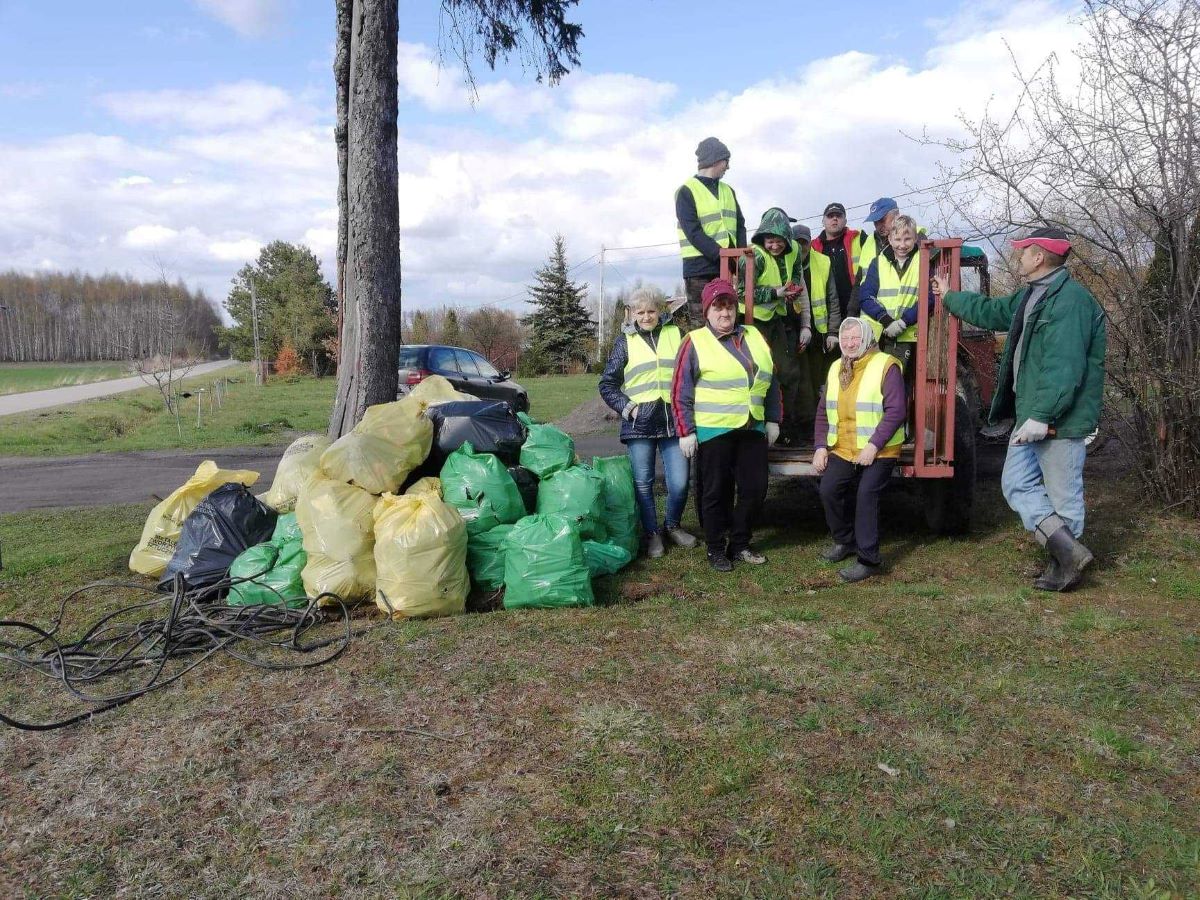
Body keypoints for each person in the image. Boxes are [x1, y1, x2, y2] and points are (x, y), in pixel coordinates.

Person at [933, 227, 1106, 592]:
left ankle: (1065, 566)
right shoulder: (1033, 295)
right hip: (1030, 415)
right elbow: (992, 310)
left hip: (1060, 419)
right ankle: (1068, 554)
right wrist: (950, 297)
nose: (1018, 257)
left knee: (1063, 496)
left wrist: (1043, 417)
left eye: (1023, 251)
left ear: (1039, 256)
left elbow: (1064, 368)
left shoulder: (1070, 302)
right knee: (1015, 483)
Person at [673, 278, 781, 572]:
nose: (725, 313)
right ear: (707, 311)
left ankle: (741, 543)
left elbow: (771, 381)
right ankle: (716, 548)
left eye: (730, 306)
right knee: (715, 493)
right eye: (718, 307)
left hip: (752, 428)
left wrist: (772, 419)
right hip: (713, 430)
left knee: (754, 490)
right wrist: (686, 431)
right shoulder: (694, 341)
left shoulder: (755, 335)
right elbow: (680, 390)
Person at [598, 288, 699, 558]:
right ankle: (653, 533)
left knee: (679, 482)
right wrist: (627, 408)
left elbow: (689, 375)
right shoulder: (624, 342)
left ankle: (673, 525)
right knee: (643, 482)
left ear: (660, 311)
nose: (646, 317)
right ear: (632, 314)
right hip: (639, 423)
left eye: (651, 311)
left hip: (672, 418)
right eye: (640, 312)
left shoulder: (676, 335)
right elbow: (607, 384)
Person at [812, 317, 906, 583]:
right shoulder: (834, 369)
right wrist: (820, 447)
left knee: (866, 493)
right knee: (829, 488)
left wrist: (874, 446)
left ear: (866, 338)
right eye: (845, 338)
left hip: (881, 448)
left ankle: (869, 559)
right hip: (844, 446)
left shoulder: (886, 366)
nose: (850, 343)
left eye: (855, 338)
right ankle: (845, 541)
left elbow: (896, 411)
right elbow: (823, 411)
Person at [740, 207, 808, 443]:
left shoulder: (795, 249)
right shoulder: (753, 256)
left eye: (779, 241)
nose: (775, 246)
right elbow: (741, 293)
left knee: (789, 371)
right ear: (762, 238)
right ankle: (755, 428)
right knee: (758, 372)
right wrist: (775, 293)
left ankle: (784, 426)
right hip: (753, 321)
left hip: (778, 318)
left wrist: (791, 289)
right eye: (770, 241)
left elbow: (797, 272)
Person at [675, 137, 747, 326]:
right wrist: (721, 254)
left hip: (728, 267)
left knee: (729, 322)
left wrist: (738, 257)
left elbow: (740, 224)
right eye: (726, 161)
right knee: (701, 324)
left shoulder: (728, 190)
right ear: (715, 160)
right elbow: (693, 231)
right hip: (699, 269)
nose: (728, 167)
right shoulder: (686, 191)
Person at [858, 214, 935, 379]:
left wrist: (903, 321)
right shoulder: (877, 262)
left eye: (907, 239)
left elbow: (929, 297)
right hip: (879, 335)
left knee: (901, 385)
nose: (902, 245)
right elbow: (865, 295)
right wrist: (886, 320)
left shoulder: (923, 261)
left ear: (915, 238)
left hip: (909, 336)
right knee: (878, 382)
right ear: (890, 239)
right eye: (897, 239)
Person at [793, 223, 843, 437]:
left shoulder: (822, 262)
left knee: (815, 381)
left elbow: (833, 298)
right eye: (797, 243)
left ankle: (817, 428)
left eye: (804, 242)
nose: (801, 247)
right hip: (792, 330)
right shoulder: (784, 262)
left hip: (818, 333)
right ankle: (799, 427)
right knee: (796, 380)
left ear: (809, 243)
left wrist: (833, 331)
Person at [810, 202, 858, 322]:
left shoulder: (858, 238)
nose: (835, 219)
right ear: (823, 221)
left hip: (856, 308)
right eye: (830, 216)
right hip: (827, 313)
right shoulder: (812, 247)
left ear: (845, 221)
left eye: (838, 216)